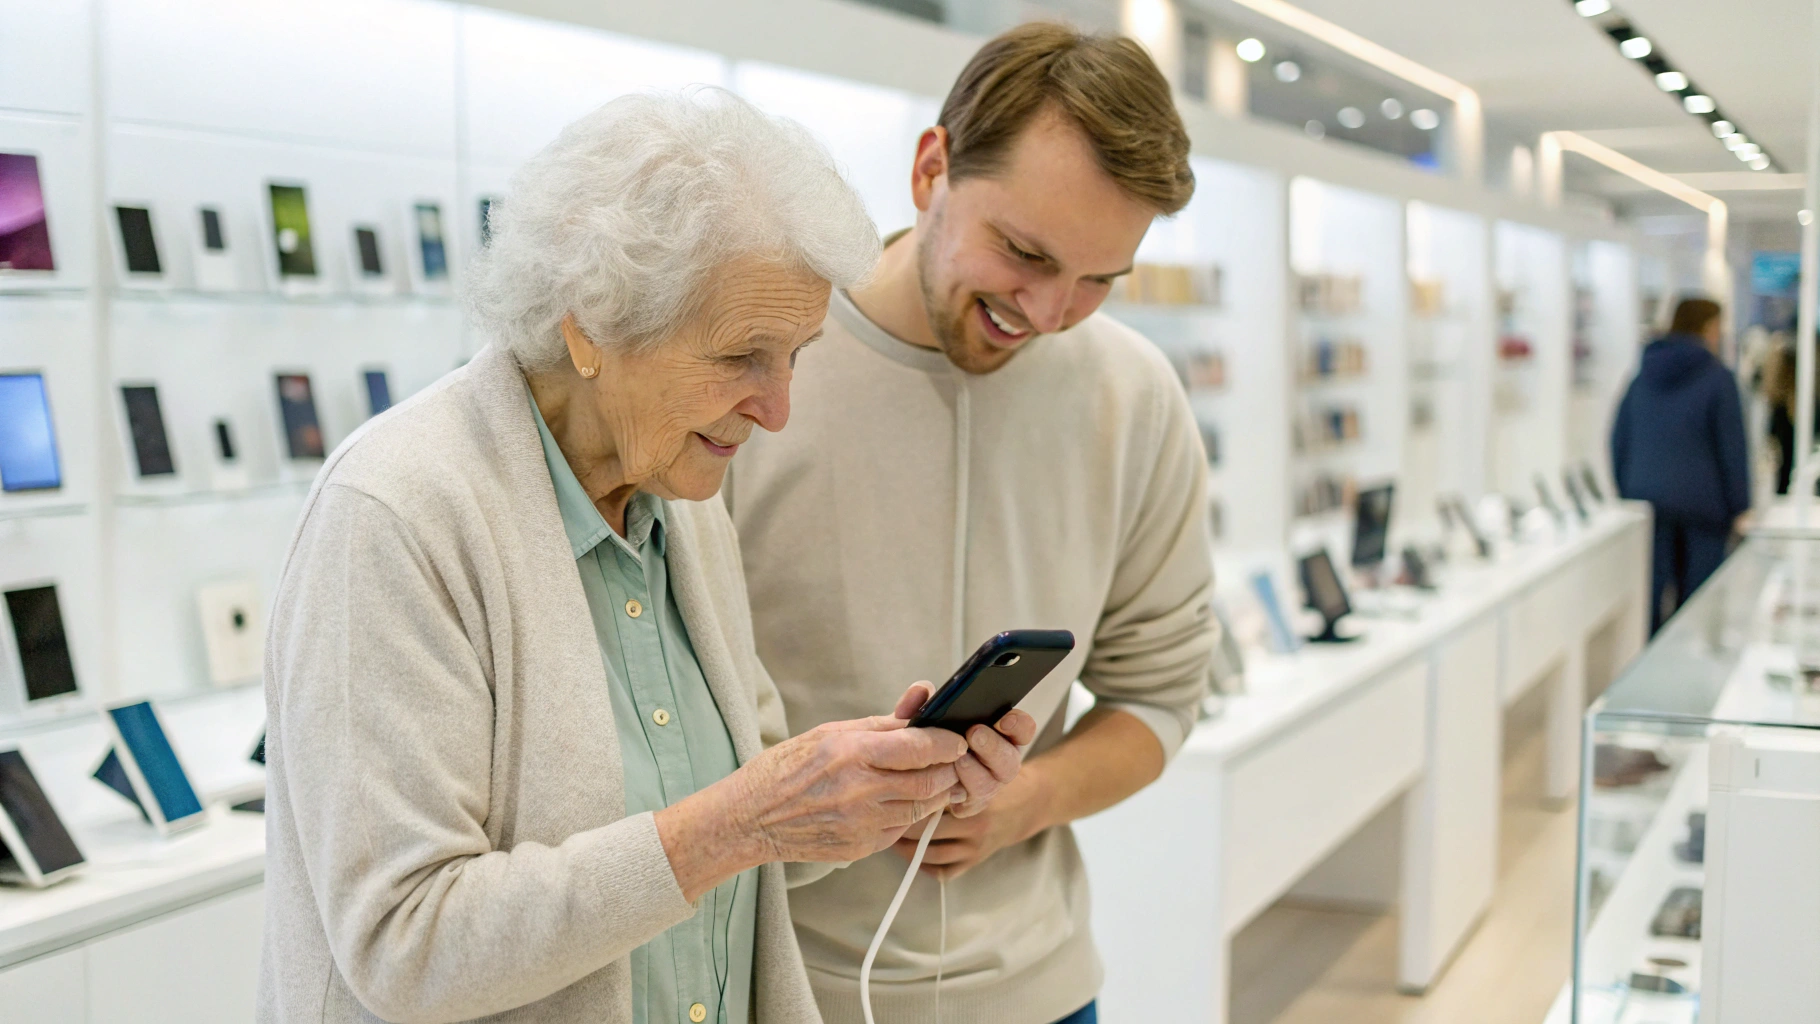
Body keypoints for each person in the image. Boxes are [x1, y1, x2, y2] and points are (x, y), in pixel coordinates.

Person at [258, 91, 1036, 1024]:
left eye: (796, 355)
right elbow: (406, 945)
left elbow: (744, 843)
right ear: (591, 325)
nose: (776, 408)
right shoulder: (395, 512)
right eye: (745, 354)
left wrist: (875, 790)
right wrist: (738, 820)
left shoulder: (681, 502)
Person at [725, 24, 1216, 1024]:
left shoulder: (1133, 396)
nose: (1045, 309)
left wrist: (1024, 800)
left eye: (1096, 280)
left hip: (1037, 990)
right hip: (775, 988)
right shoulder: (760, 367)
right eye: (1023, 252)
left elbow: (1158, 700)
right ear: (929, 167)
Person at [1611, 296, 1751, 631]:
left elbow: (1619, 439)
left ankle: (1648, 675)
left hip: (1649, 501)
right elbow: (1731, 448)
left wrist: (1628, 489)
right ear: (1707, 328)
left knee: (1650, 599)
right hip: (1704, 508)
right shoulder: (1718, 379)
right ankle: (1690, 676)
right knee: (1699, 605)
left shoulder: (1642, 375)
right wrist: (1740, 506)